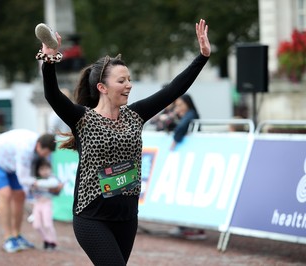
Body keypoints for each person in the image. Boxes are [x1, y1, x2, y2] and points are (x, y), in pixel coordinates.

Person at [36, 19, 211, 265]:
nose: (129, 85)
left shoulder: (135, 116)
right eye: (121, 81)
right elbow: (52, 95)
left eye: (129, 79)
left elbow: (173, 90)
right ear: (102, 87)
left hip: (127, 217)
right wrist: (49, 60)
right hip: (91, 218)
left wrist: (202, 57)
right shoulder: (83, 119)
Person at [0, 129, 56, 253]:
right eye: (44, 154)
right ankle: (8, 238)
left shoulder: (38, 145)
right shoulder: (25, 149)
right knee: (5, 194)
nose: (44, 157)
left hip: (9, 163)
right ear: (39, 145)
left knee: (20, 195)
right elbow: (24, 179)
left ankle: (17, 235)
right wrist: (42, 184)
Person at [169, 94, 207, 240]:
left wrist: (174, 139)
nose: (177, 108)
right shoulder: (186, 114)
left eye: (179, 105)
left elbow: (182, 128)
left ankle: (196, 228)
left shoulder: (191, 115)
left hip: (192, 159)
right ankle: (184, 225)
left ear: (187, 104)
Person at [30, 158, 63, 250]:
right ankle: (47, 239)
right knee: (36, 225)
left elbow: (54, 184)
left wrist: (38, 183)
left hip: (47, 203)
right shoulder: (35, 179)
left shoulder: (52, 178)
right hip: (37, 204)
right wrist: (34, 184)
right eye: (42, 169)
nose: (44, 171)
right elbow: (30, 187)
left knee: (47, 224)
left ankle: (53, 241)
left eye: (46, 168)